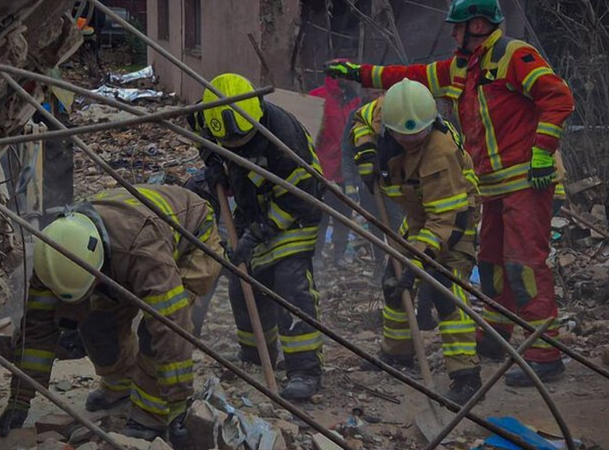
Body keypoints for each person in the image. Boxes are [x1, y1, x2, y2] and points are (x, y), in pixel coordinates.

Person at [327, 0, 575, 386]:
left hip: (525, 183)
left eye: (456, 29)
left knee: (524, 266)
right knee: (492, 264)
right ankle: (496, 335)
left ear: (477, 26)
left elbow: (558, 97)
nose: (451, 36)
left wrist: (543, 152)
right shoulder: (463, 67)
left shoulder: (514, 57)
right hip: (492, 187)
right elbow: (410, 78)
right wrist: (359, 72)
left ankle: (545, 353)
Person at [0, 185, 223, 440]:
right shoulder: (51, 258)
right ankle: (120, 388)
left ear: (98, 267)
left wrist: (179, 404)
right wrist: (19, 399)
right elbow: (37, 330)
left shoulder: (144, 251)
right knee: (95, 322)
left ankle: (151, 415)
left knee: (153, 331)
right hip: (124, 248)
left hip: (191, 239)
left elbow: (171, 328)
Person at [193, 72, 325, 400]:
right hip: (251, 205)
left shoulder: (285, 138)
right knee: (243, 284)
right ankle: (255, 355)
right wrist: (212, 161)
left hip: (292, 216)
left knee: (289, 287)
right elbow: (200, 137)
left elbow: (303, 195)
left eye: (246, 141)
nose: (242, 147)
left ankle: (304, 370)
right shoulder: (205, 112)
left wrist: (261, 231)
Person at [352, 78, 482, 403]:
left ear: (431, 123)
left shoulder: (440, 153)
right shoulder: (386, 113)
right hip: (420, 220)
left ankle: (467, 377)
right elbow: (361, 118)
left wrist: (416, 265)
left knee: (446, 292)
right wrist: (367, 153)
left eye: (418, 135)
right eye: (402, 136)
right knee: (394, 283)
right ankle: (397, 355)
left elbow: (444, 222)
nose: (411, 142)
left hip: (455, 222)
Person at [308, 76, 362, 268]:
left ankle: (338, 255)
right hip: (322, 170)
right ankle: (317, 256)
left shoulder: (354, 100)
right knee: (320, 217)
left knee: (344, 216)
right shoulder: (317, 97)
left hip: (345, 172)